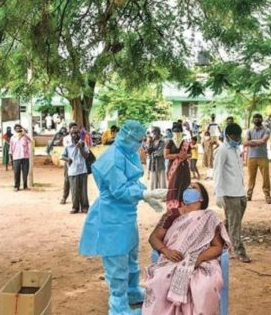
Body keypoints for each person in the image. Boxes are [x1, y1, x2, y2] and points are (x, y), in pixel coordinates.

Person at [79, 120, 167, 315]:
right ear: (128, 137)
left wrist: (145, 195)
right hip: (111, 217)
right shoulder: (111, 158)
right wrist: (144, 195)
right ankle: (118, 306)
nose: (141, 144)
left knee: (130, 255)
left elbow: (132, 181)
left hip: (126, 214)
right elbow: (119, 189)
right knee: (117, 261)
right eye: (139, 140)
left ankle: (132, 291)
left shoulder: (127, 153)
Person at [143, 184, 230, 315]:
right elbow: (154, 238)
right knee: (160, 280)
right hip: (172, 259)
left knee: (202, 285)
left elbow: (217, 247)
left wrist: (198, 259)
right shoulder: (172, 214)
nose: (189, 188)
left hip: (201, 260)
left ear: (201, 198)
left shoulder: (210, 217)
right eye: (188, 187)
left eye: (194, 187)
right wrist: (166, 251)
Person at [214, 123, 251, 263]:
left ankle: (217, 241)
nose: (237, 138)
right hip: (229, 194)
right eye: (234, 136)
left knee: (231, 223)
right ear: (228, 136)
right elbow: (217, 172)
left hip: (240, 192)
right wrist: (219, 193)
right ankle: (239, 251)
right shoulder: (222, 150)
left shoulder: (236, 149)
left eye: (238, 135)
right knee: (235, 225)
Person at [244, 113, 271, 204]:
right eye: (255, 118)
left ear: (261, 119)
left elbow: (263, 141)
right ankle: (249, 195)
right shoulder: (249, 130)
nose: (257, 119)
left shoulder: (267, 130)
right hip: (251, 157)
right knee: (251, 178)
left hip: (263, 157)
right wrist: (257, 142)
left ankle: (267, 196)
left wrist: (251, 142)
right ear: (253, 120)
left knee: (265, 177)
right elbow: (245, 142)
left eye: (259, 118)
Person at [61, 128, 90, 214]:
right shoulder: (68, 146)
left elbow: (86, 156)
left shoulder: (83, 144)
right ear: (70, 135)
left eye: (76, 133)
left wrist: (80, 147)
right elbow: (62, 156)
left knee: (83, 191)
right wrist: (67, 159)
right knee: (74, 191)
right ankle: (75, 207)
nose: (74, 135)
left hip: (82, 170)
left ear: (79, 134)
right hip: (72, 171)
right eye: (72, 133)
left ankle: (85, 207)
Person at [164, 122, 191, 209]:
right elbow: (166, 155)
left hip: (184, 168)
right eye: (175, 131)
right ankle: (173, 205)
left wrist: (185, 155)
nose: (177, 133)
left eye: (178, 131)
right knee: (174, 185)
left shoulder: (185, 142)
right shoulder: (169, 142)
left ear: (181, 132)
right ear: (172, 132)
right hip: (174, 168)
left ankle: (183, 203)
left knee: (185, 184)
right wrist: (177, 155)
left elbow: (190, 154)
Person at [9, 124, 32, 191]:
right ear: (15, 129)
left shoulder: (25, 137)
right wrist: (10, 158)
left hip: (25, 157)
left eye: (19, 128)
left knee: (25, 172)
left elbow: (30, 140)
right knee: (16, 172)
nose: (18, 129)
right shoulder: (13, 138)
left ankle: (25, 186)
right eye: (16, 128)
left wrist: (24, 133)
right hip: (16, 157)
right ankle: (16, 186)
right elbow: (11, 149)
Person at [60, 123, 78, 204]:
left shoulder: (80, 138)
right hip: (69, 162)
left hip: (78, 163)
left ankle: (77, 199)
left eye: (76, 128)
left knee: (78, 181)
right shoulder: (66, 138)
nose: (75, 130)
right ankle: (64, 197)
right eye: (73, 128)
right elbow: (68, 147)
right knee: (67, 180)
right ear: (69, 129)